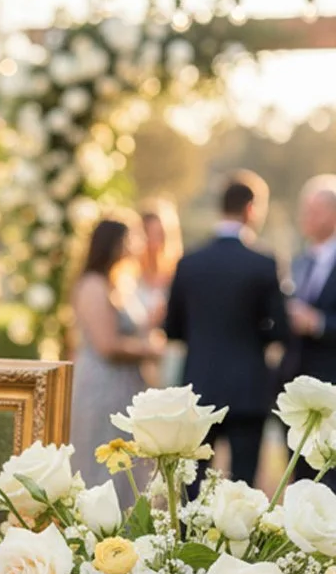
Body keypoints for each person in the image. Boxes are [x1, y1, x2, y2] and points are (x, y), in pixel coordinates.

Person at [164, 172, 289, 485]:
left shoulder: (189, 262)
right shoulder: (263, 263)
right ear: (251, 208)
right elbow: (281, 331)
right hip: (248, 389)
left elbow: (172, 329)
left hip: (200, 386)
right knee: (244, 486)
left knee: (192, 485)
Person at [71, 214, 164, 499]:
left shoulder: (121, 283)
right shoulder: (93, 285)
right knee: (103, 463)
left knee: (128, 469)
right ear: (114, 243)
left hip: (126, 385)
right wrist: (150, 350)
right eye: (132, 238)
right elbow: (107, 345)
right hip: (102, 385)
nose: (138, 243)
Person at [285, 175, 336, 386]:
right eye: (305, 211)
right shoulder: (299, 261)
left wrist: (318, 323)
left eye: (315, 211)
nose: (306, 218)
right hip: (298, 378)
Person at [137, 199, 183, 328]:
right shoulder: (129, 272)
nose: (155, 242)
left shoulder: (178, 273)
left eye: (160, 234)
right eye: (149, 233)